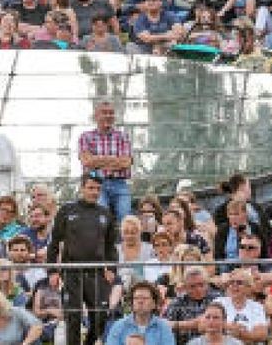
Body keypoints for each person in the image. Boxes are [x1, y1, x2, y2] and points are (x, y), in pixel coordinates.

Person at [46, 171, 117, 345]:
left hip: (97, 272)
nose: (94, 192)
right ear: (82, 188)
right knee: (73, 317)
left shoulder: (106, 213)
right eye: (91, 188)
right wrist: (52, 271)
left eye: (98, 189)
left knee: (100, 315)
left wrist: (112, 269)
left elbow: (110, 246)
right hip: (72, 272)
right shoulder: (67, 210)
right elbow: (54, 243)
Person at [78, 100, 133, 220]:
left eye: (111, 113)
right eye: (104, 112)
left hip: (120, 183)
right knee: (101, 218)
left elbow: (126, 163)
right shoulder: (86, 137)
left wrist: (97, 161)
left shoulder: (123, 136)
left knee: (126, 217)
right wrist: (114, 160)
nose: (108, 115)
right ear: (96, 116)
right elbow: (87, 162)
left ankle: (121, 239)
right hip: (96, 183)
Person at [105, 280, 175, 345]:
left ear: (154, 304)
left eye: (145, 298)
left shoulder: (163, 327)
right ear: (132, 303)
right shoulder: (119, 326)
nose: (140, 301)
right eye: (136, 298)